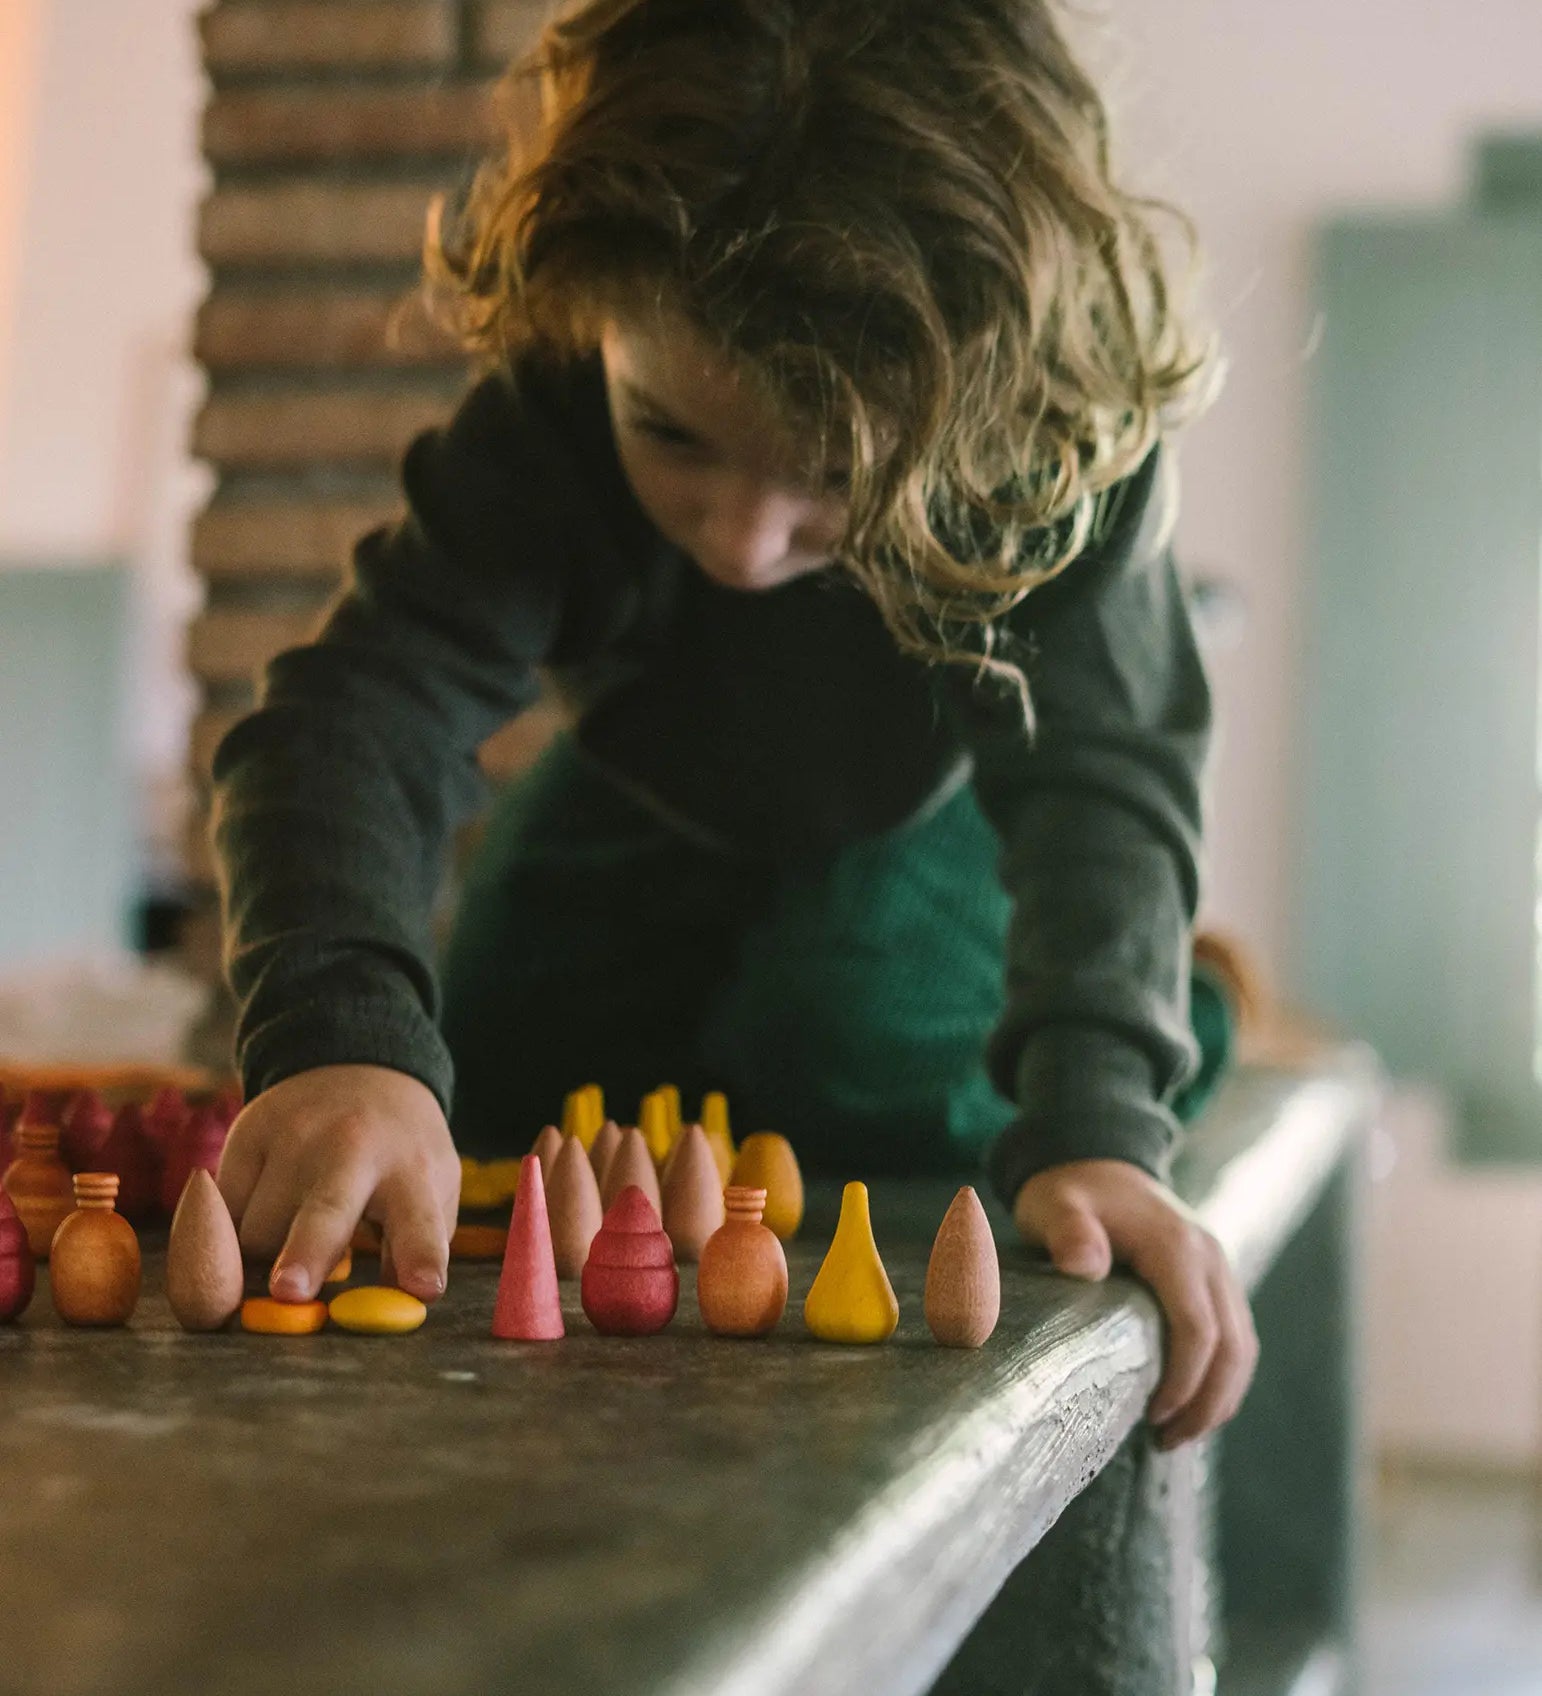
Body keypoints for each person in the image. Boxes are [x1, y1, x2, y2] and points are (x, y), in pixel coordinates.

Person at [210, 0, 1257, 1449]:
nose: (741, 543)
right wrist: (340, 1037)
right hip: (638, 793)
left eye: (824, 477)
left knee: (843, 1048)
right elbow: (353, 710)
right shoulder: (563, 387)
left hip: (922, 814)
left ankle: (1190, 1006)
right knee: (490, 1087)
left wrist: (1098, 1122)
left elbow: (1104, 783)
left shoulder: (1066, 443)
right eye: (671, 433)